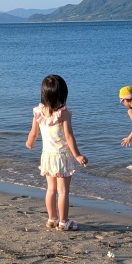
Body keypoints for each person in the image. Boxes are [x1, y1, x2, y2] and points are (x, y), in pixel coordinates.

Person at [26, 75, 88, 231]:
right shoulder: (63, 113)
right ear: (62, 95)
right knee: (63, 191)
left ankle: (51, 219)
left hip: (47, 156)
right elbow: (68, 136)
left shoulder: (38, 112)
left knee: (51, 190)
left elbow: (33, 133)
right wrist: (78, 155)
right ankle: (63, 222)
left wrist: (30, 142)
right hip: (62, 157)